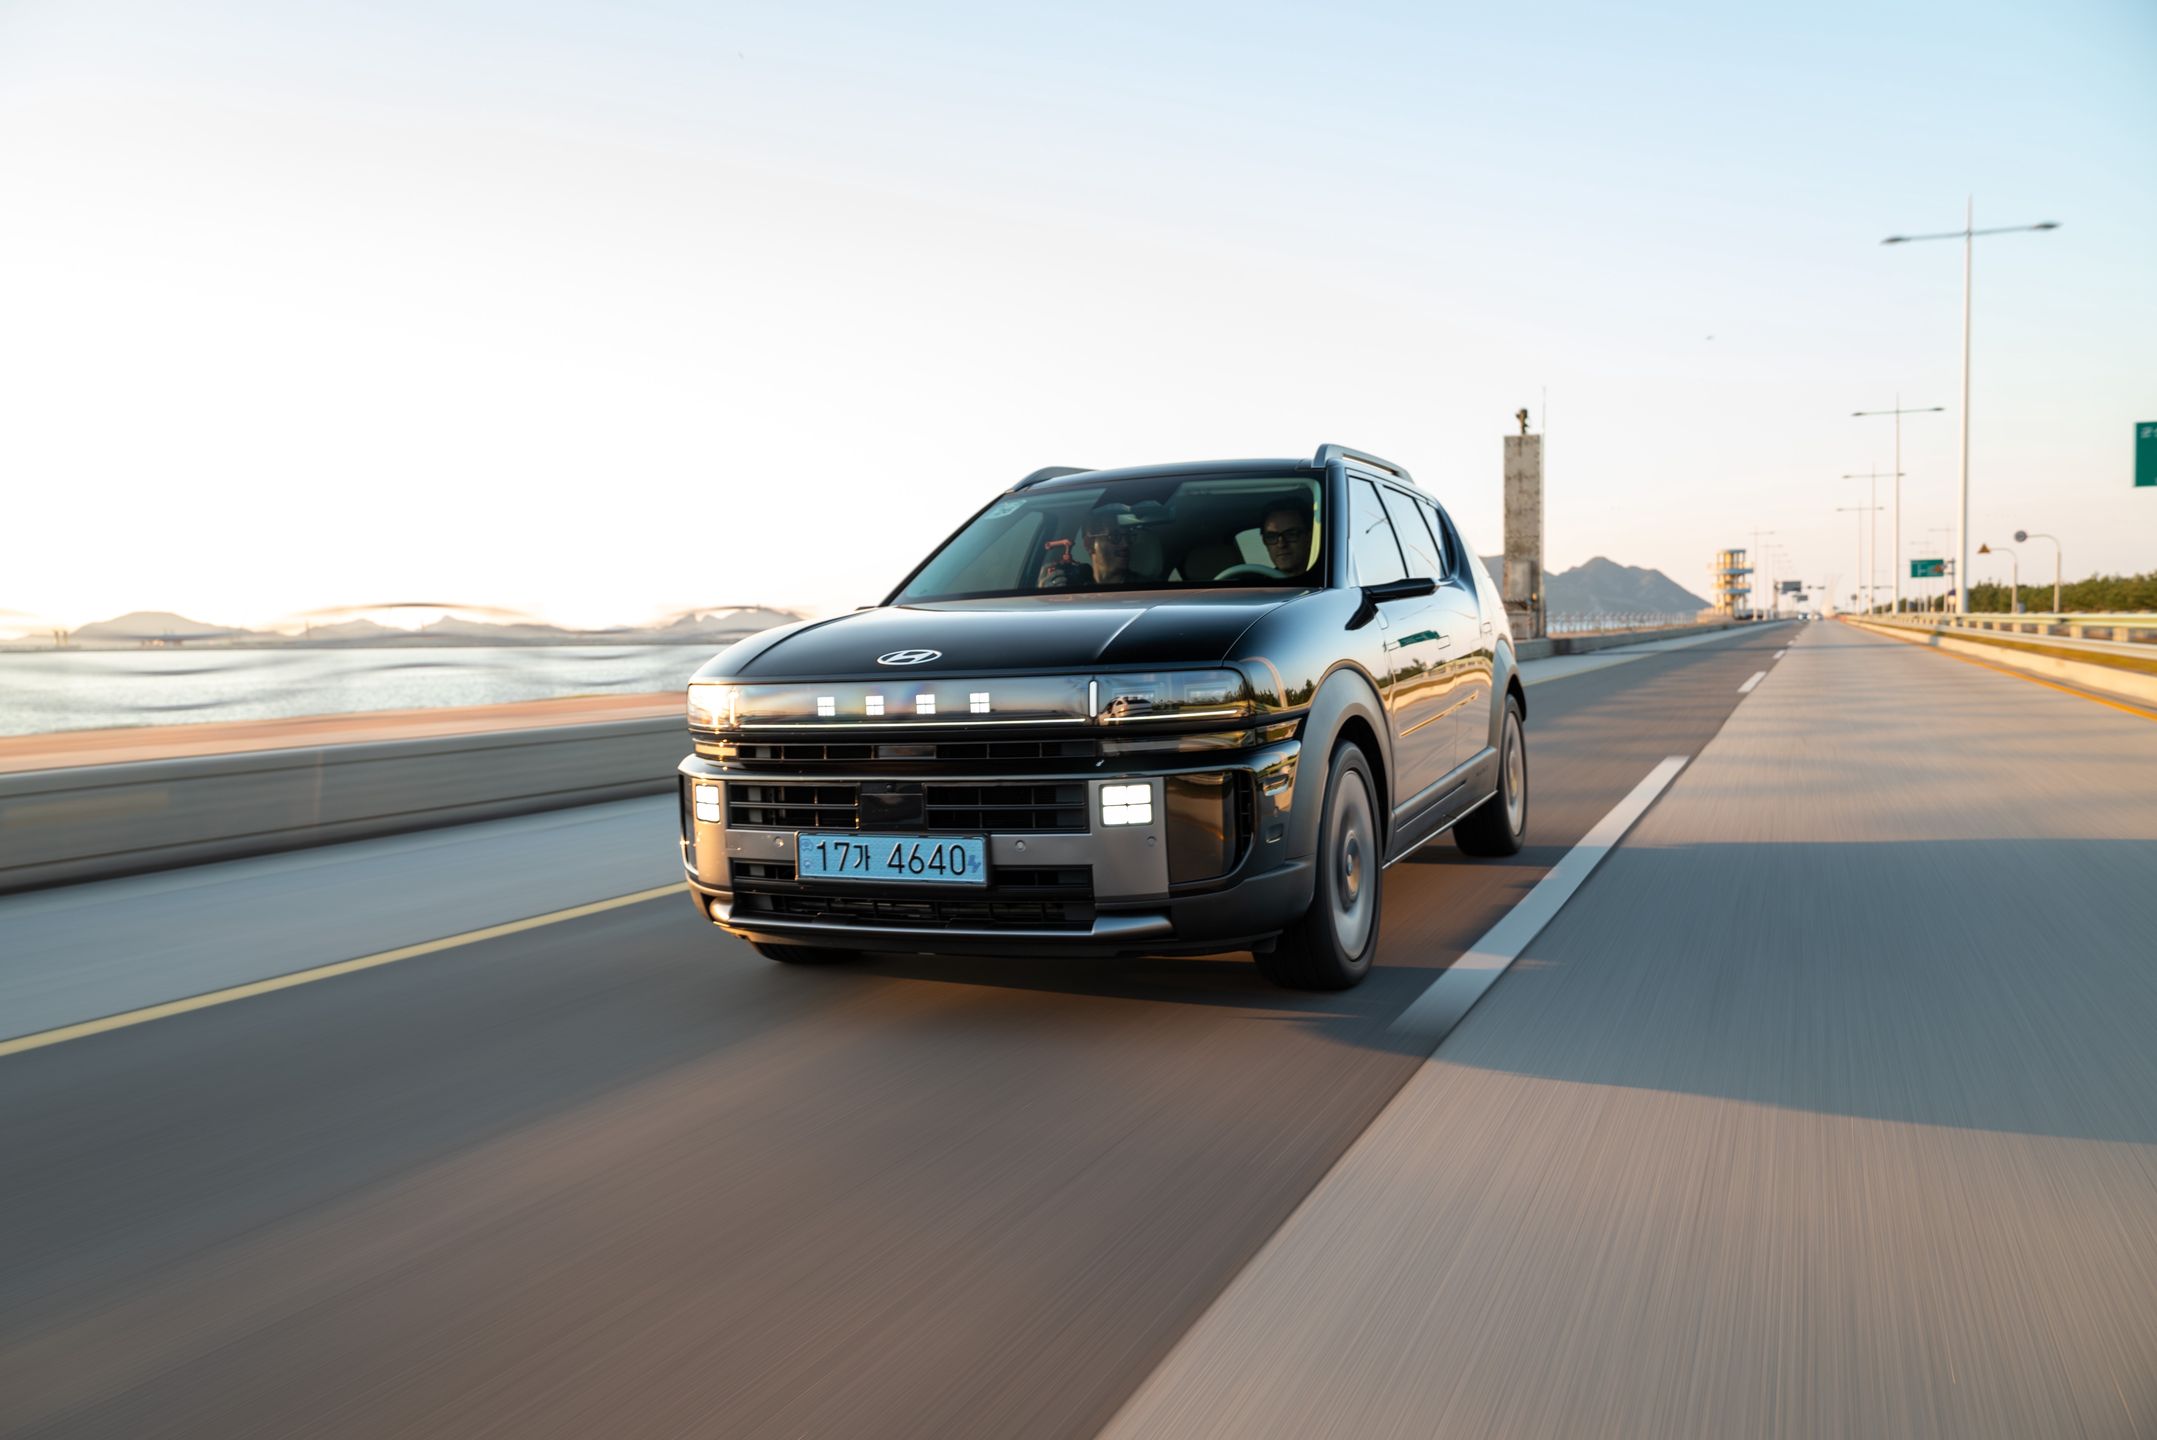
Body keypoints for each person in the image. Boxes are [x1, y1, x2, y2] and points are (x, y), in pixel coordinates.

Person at [1038, 505, 1141, 589]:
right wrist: (1046, 595)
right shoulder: (1074, 586)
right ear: (1089, 544)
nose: (1125, 544)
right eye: (1115, 537)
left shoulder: (1143, 588)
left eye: (1128, 536)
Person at [1256, 500, 1322, 583]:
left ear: (1309, 538)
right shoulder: (1259, 587)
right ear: (1264, 541)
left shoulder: (1327, 580)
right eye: (1272, 536)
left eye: (1291, 534)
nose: (1281, 544)